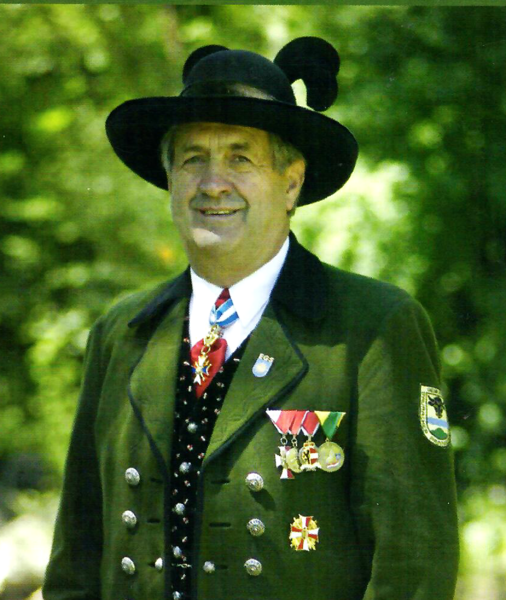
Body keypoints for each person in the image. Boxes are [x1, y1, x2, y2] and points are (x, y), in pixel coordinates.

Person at [43, 37, 459, 600]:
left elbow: (414, 568)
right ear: (170, 179)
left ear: (291, 183)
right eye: (193, 159)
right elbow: (75, 562)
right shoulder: (121, 332)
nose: (213, 183)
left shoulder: (372, 328)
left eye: (240, 158)